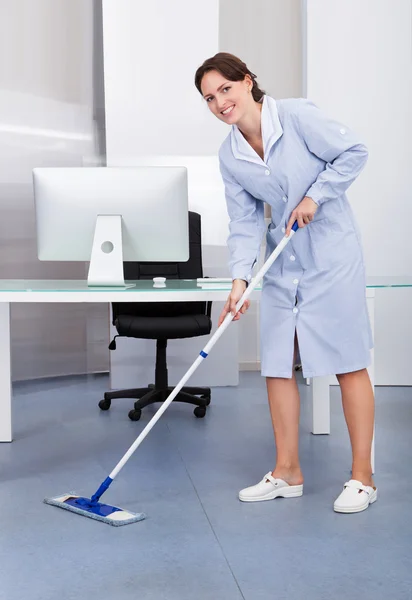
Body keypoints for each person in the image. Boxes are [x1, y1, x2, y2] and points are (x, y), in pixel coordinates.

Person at [194, 52, 377, 514]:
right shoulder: (229, 154)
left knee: (347, 360)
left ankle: (362, 477)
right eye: (210, 98)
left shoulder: (295, 116)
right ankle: (287, 472)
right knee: (277, 363)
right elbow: (244, 221)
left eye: (225, 89)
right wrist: (239, 280)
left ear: (247, 81)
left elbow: (354, 151)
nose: (220, 103)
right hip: (282, 264)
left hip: (330, 256)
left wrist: (316, 195)